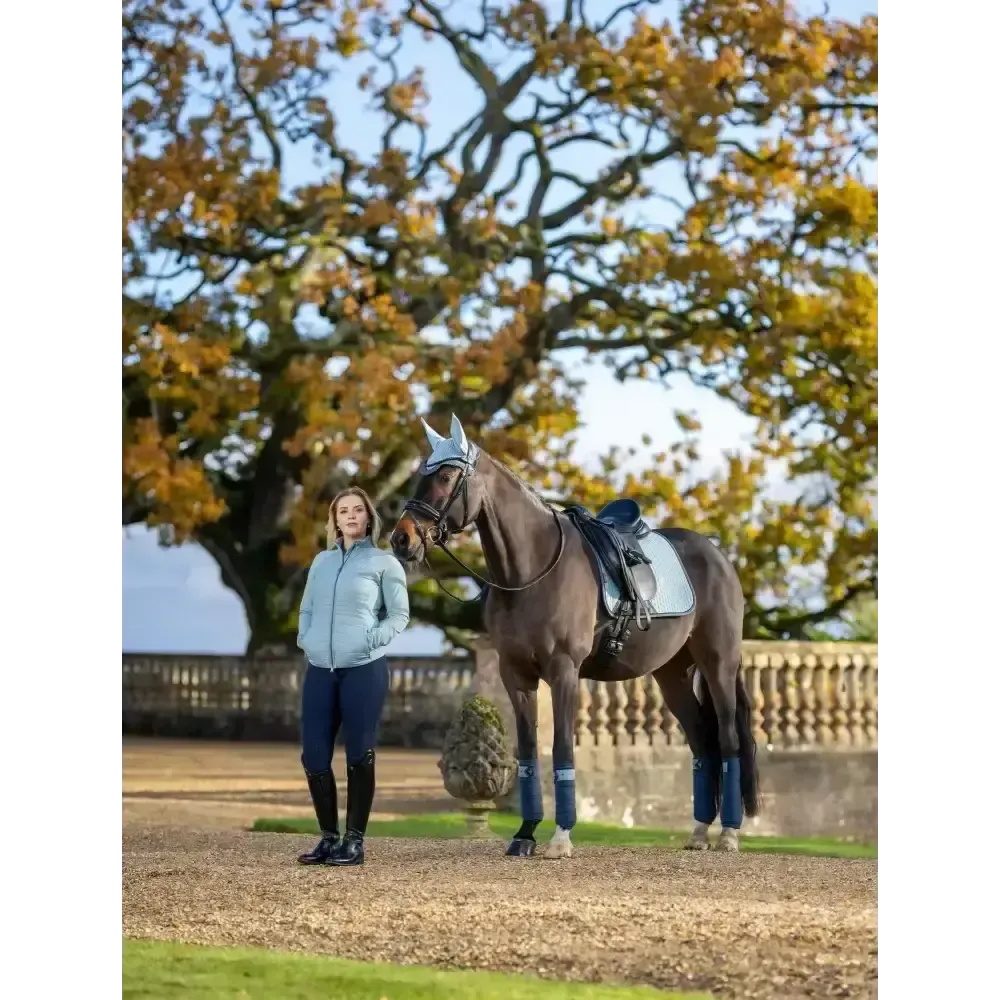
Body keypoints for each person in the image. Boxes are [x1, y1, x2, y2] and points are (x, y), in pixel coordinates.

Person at [295, 485, 410, 867]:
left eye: (357, 510)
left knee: (359, 754)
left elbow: (398, 615)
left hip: (364, 669)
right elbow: (306, 609)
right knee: (313, 756)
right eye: (343, 510)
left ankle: (354, 841)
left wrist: (369, 641)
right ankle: (329, 838)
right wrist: (305, 639)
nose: (350, 516)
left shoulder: (384, 563)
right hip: (320, 669)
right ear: (335, 520)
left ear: (368, 517)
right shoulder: (321, 563)